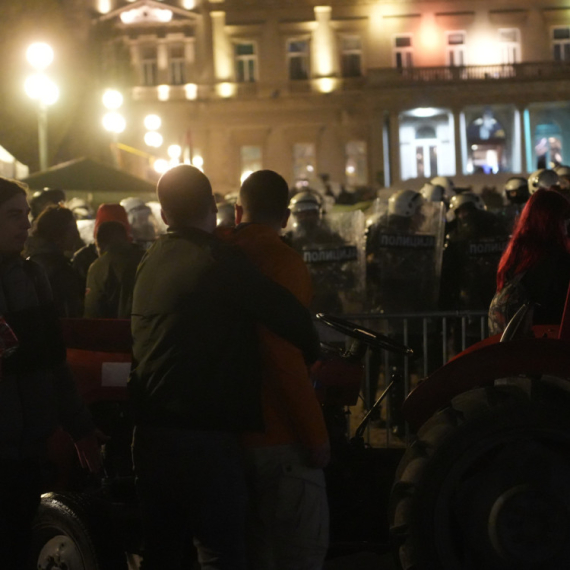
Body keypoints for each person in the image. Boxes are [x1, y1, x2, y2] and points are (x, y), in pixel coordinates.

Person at [129, 165, 321, 570]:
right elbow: (292, 320)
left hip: (148, 435)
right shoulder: (220, 261)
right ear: (215, 208)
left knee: (162, 553)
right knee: (221, 555)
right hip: (205, 438)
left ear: (164, 215)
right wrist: (315, 348)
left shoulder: (150, 260)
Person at [230, 170, 330, 570]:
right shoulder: (284, 263)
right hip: (281, 435)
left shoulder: (220, 256)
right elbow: (282, 358)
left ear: (238, 211)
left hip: (229, 432)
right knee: (300, 551)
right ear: (287, 215)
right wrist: (315, 434)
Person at [0, 177, 101, 567]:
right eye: (12, 216)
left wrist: (81, 429)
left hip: (28, 456)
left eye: (25, 215)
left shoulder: (33, 277)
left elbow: (53, 363)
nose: (24, 225)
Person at [488, 188, 570, 335]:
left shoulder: (516, 254)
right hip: (550, 343)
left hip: (518, 345)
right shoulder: (558, 260)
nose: (567, 224)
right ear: (552, 220)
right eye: (564, 218)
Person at [25, 204, 84, 317]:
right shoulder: (59, 269)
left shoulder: (33, 259)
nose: (77, 234)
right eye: (72, 229)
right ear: (57, 232)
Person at [84, 221, 144, 319]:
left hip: (114, 330)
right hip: (148, 329)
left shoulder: (99, 267)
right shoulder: (148, 258)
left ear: (99, 244)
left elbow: (93, 310)